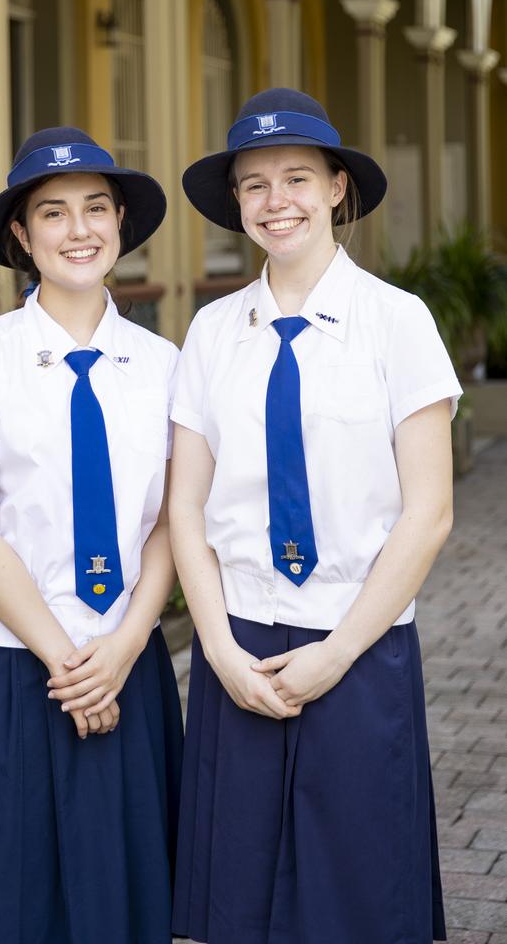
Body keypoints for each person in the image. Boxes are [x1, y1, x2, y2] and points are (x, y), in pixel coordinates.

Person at [170, 88, 460, 944]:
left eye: (296, 177)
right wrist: (217, 651)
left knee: (361, 902)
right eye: (253, 185)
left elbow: (431, 512)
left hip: (359, 646)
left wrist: (335, 653)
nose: (275, 202)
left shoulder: (397, 323)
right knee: (241, 906)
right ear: (237, 205)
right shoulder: (213, 331)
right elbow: (186, 504)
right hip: (242, 654)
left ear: (337, 187)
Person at [0, 126, 183, 944]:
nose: (79, 230)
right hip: (4, 673)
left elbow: (175, 519)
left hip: (125, 667)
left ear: (121, 225)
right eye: (54, 213)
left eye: (96, 209)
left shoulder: (168, 364)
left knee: (124, 904)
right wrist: (69, 666)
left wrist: (128, 644)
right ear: (21, 237)